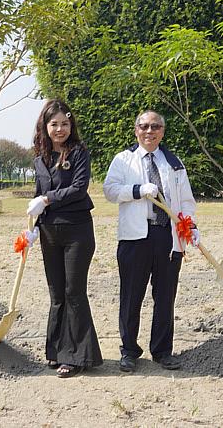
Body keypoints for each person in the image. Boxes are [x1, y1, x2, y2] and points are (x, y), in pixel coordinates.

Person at [103, 110, 198, 373]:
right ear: (136, 130)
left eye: (155, 126)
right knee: (131, 296)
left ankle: (162, 350)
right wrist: (137, 191)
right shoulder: (123, 160)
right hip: (135, 238)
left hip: (166, 237)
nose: (149, 131)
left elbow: (186, 201)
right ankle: (129, 350)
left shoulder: (174, 163)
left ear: (162, 131)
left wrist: (191, 226)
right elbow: (110, 191)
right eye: (143, 126)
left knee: (165, 296)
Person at [26, 99, 103, 378]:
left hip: (77, 231)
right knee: (56, 294)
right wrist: (33, 228)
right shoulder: (40, 158)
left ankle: (77, 356)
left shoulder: (79, 152)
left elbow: (79, 188)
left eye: (65, 123)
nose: (60, 129)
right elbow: (38, 194)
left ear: (72, 126)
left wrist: (46, 199)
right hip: (49, 233)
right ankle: (57, 351)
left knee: (74, 292)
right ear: (45, 127)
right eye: (54, 124)